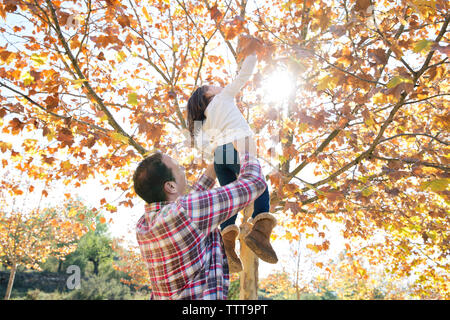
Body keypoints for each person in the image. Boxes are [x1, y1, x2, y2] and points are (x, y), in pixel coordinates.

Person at [134, 137, 268, 299]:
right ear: (170, 186)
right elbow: (255, 182)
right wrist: (246, 151)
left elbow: (193, 202)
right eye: (178, 168)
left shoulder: (144, 226)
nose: (183, 168)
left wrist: (219, 158)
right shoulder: (186, 211)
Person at [186, 38, 278, 273]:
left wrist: (218, 152)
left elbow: (202, 146)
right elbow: (244, 75)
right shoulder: (223, 97)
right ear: (208, 95)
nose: (216, 85)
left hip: (220, 160)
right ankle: (260, 232)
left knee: (232, 201)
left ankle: (228, 245)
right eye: (211, 86)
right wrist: (252, 51)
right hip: (237, 149)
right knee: (258, 185)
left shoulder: (202, 123)